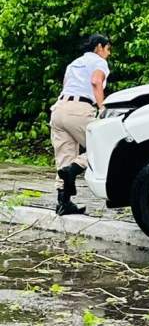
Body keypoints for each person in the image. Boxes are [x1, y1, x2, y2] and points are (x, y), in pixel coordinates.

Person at [49, 34, 111, 215]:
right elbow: (96, 81)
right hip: (80, 109)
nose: (108, 53)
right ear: (99, 47)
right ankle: (73, 169)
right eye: (108, 49)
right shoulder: (99, 62)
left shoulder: (74, 63)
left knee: (63, 155)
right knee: (104, 145)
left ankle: (63, 203)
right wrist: (102, 107)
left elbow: (67, 85)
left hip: (59, 109)